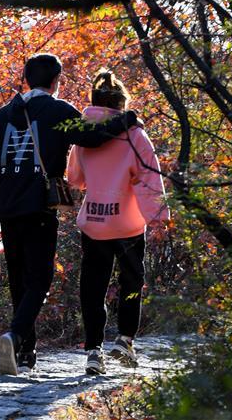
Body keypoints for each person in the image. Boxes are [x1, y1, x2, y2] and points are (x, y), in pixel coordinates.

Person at [0, 54, 138, 376]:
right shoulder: (58, 110)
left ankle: (25, 354)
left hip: (7, 208)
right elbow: (92, 138)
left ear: (26, 79)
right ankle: (15, 336)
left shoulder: (2, 116)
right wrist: (127, 119)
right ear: (56, 81)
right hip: (38, 207)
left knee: (18, 280)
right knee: (39, 281)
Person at [66, 70, 169, 375]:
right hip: (128, 224)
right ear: (122, 103)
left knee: (93, 287)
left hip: (95, 222)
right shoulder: (135, 135)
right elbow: (150, 178)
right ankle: (125, 340)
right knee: (132, 282)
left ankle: (93, 351)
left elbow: (75, 179)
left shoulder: (84, 134)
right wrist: (158, 217)